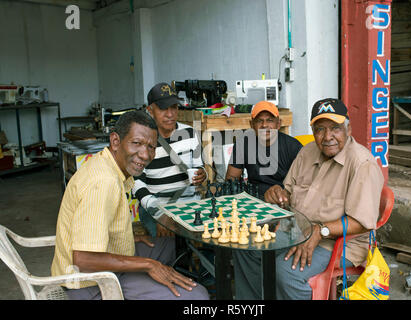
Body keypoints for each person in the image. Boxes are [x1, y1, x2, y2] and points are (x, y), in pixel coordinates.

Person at [234, 98, 385, 300]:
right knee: (245, 246)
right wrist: (278, 193)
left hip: (339, 242)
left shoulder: (362, 164)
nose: (327, 136)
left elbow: (362, 223)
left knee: (286, 272)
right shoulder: (307, 151)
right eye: (320, 129)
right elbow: (287, 191)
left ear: (348, 129)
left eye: (335, 128)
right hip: (296, 229)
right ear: (313, 131)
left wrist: (320, 230)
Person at [51, 110, 209, 300]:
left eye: (151, 147)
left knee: (168, 244)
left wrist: (128, 238)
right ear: (116, 141)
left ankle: (154, 287)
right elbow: (84, 260)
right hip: (89, 283)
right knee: (198, 296)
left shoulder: (108, 165)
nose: (145, 155)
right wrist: (149, 265)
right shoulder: (102, 183)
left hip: (101, 260)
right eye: (137, 143)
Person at [132, 82, 207, 236]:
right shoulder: (141, 141)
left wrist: (202, 174)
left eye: (174, 107)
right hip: (156, 205)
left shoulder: (190, 133)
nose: (170, 114)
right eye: (163, 108)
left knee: (210, 238)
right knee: (171, 243)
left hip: (190, 203)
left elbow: (200, 167)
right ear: (150, 111)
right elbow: (136, 183)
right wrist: (158, 213)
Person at [225, 100, 302, 199]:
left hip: (282, 199)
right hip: (254, 199)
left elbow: (303, 185)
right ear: (251, 124)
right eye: (259, 120)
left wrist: (284, 197)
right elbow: (231, 180)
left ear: (278, 124)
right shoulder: (243, 144)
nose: (264, 125)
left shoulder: (293, 146)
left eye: (270, 120)